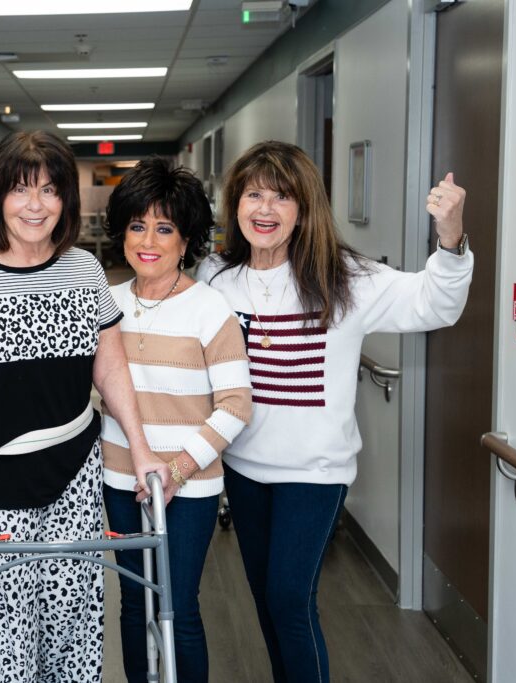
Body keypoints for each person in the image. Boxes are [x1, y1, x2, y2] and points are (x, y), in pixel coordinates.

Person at [197, 140, 472, 682]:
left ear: (306, 208)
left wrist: (451, 235)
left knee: (290, 600)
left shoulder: (347, 277)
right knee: (266, 602)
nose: (265, 210)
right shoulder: (216, 278)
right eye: (254, 195)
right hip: (243, 468)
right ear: (236, 205)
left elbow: (436, 303)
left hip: (314, 474)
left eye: (282, 197)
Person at [0, 131, 172, 683]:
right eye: (20, 189)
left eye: (50, 190)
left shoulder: (83, 269)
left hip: (72, 474)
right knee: (4, 629)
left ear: (66, 202)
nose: (35, 205)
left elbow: (111, 366)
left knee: (73, 620)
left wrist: (144, 449)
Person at [101, 156, 253, 683]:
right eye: (138, 225)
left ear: (186, 240)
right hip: (118, 478)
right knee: (131, 602)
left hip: (188, 488)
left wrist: (181, 468)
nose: (149, 240)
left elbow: (237, 405)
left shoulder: (212, 310)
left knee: (178, 604)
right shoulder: (106, 305)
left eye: (164, 228)